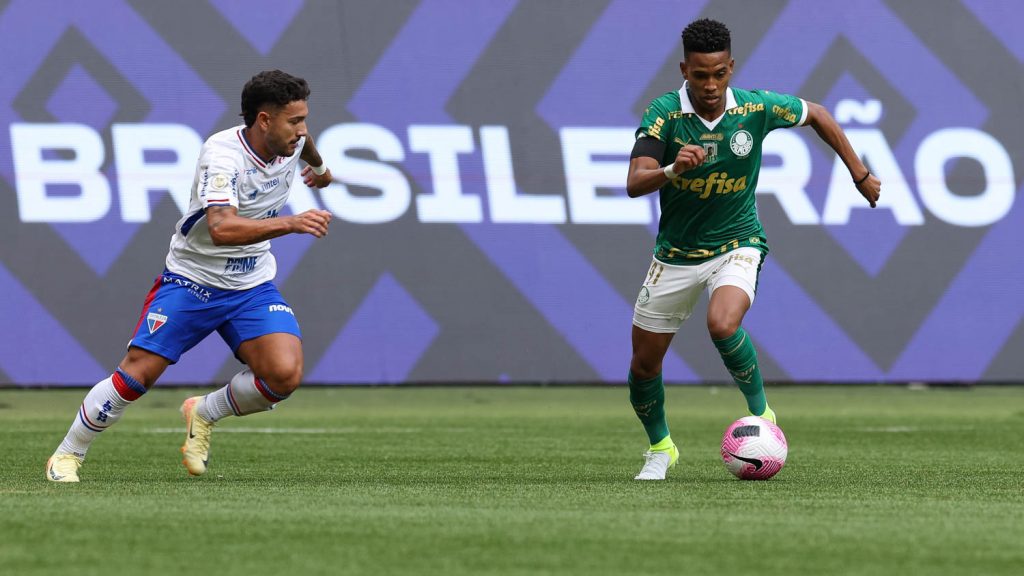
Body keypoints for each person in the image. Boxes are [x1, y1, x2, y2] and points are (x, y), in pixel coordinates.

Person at [45, 70, 335, 482]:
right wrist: (291, 223)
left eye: (305, 119)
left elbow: (306, 145)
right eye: (294, 121)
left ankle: (204, 411)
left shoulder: (292, 141)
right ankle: (67, 453)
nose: (302, 130)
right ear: (264, 120)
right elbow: (222, 229)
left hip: (250, 284)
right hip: (192, 280)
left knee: (283, 375)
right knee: (136, 374)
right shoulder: (223, 157)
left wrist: (321, 168)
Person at [626, 19, 881, 480]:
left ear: (731, 68)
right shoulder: (664, 114)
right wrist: (671, 169)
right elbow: (633, 182)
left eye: (719, 73)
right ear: (684, 69)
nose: (710, 84)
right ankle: (661, 448)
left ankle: (763, 416)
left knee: (723, 323)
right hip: (676, 255)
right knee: (644, 365)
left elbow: (819, 114)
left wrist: (859, 173)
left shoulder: (756, 109)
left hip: (737, 243)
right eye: (700, 74)